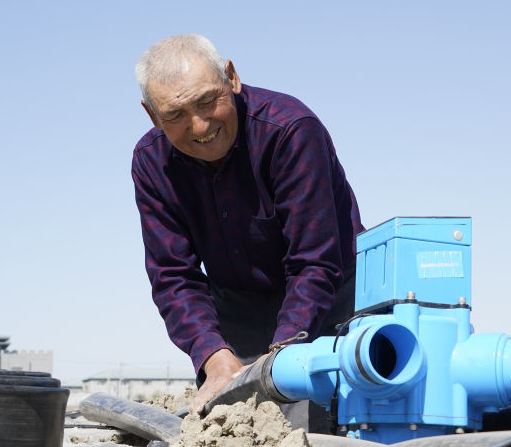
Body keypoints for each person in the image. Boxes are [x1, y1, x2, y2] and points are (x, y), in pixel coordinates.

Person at [132, 34, 363, 419]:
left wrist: (280, 358)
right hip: (237, 308)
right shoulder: (151, 163)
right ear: (152, 115)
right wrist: (213, 354)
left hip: (329, 301)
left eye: (208, 101)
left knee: (319, 424)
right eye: (175, 116)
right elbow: (174, 276)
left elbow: (314, 263)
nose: (200, 125)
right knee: (228, 424)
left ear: (232, 78)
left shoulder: (290, 131)